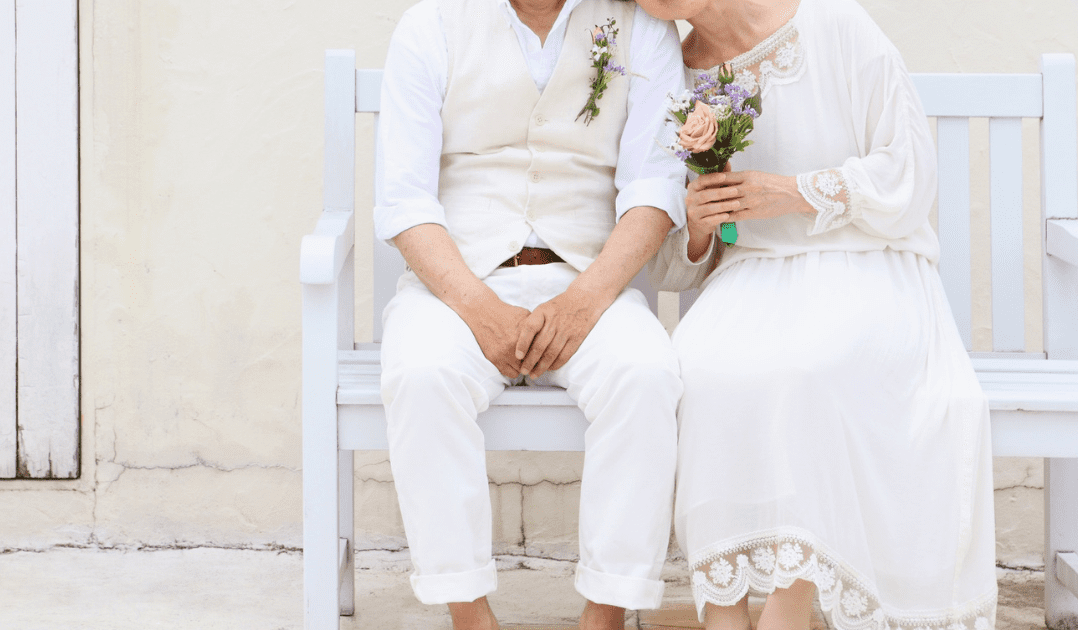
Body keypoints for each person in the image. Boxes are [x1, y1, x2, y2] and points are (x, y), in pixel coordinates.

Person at [638, 0, 999, 628]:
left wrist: (796, 191)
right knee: (698, 369)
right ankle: (722, 611)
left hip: (867, 259)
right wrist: (699, 226)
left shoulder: (834, 22)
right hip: (751, 277)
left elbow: (908, 171)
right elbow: (678, 264)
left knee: (810, 367)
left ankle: (789, 603)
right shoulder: (670, 74)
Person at [373, 0, 689, 629]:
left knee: (647, 373)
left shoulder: (642, 29)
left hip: (585, 279)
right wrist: (476, 306)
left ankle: (607, 611)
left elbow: (656, 186)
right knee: (420, 375)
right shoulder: (430, 24)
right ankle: (469, 613)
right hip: (459, 281)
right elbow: (404, 197)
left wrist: (582, 301)